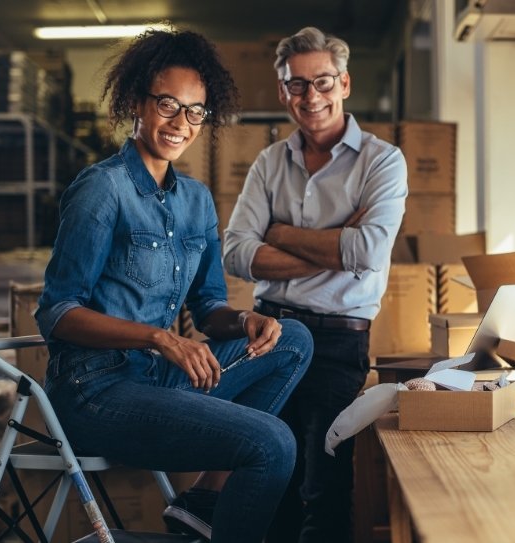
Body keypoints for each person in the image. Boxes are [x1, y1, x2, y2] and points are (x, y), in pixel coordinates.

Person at [34, 26, 313, 543]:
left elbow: (208, 308)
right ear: (138, 102)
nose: (180, 123)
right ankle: (212, 508)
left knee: (293, 339)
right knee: (272, 444)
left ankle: (205, 500)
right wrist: (159, 337)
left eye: (195, 111)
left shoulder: (196, 200)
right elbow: (56, 313)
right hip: (96, 392)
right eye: (167, 104)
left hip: (160, 380)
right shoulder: (103, 190)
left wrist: (246, 319)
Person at [223, 26, 408, 543]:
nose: (311, 96)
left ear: (344, 83)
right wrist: (335, 245)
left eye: (322, 81)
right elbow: (236, 253)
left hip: (337, 339)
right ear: (283, 92)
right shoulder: (268, 163)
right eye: (297, 85)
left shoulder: (382, 161)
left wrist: (278, 236)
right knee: (267, 474)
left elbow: (368, 251)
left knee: (323, 482)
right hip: (270, 334)